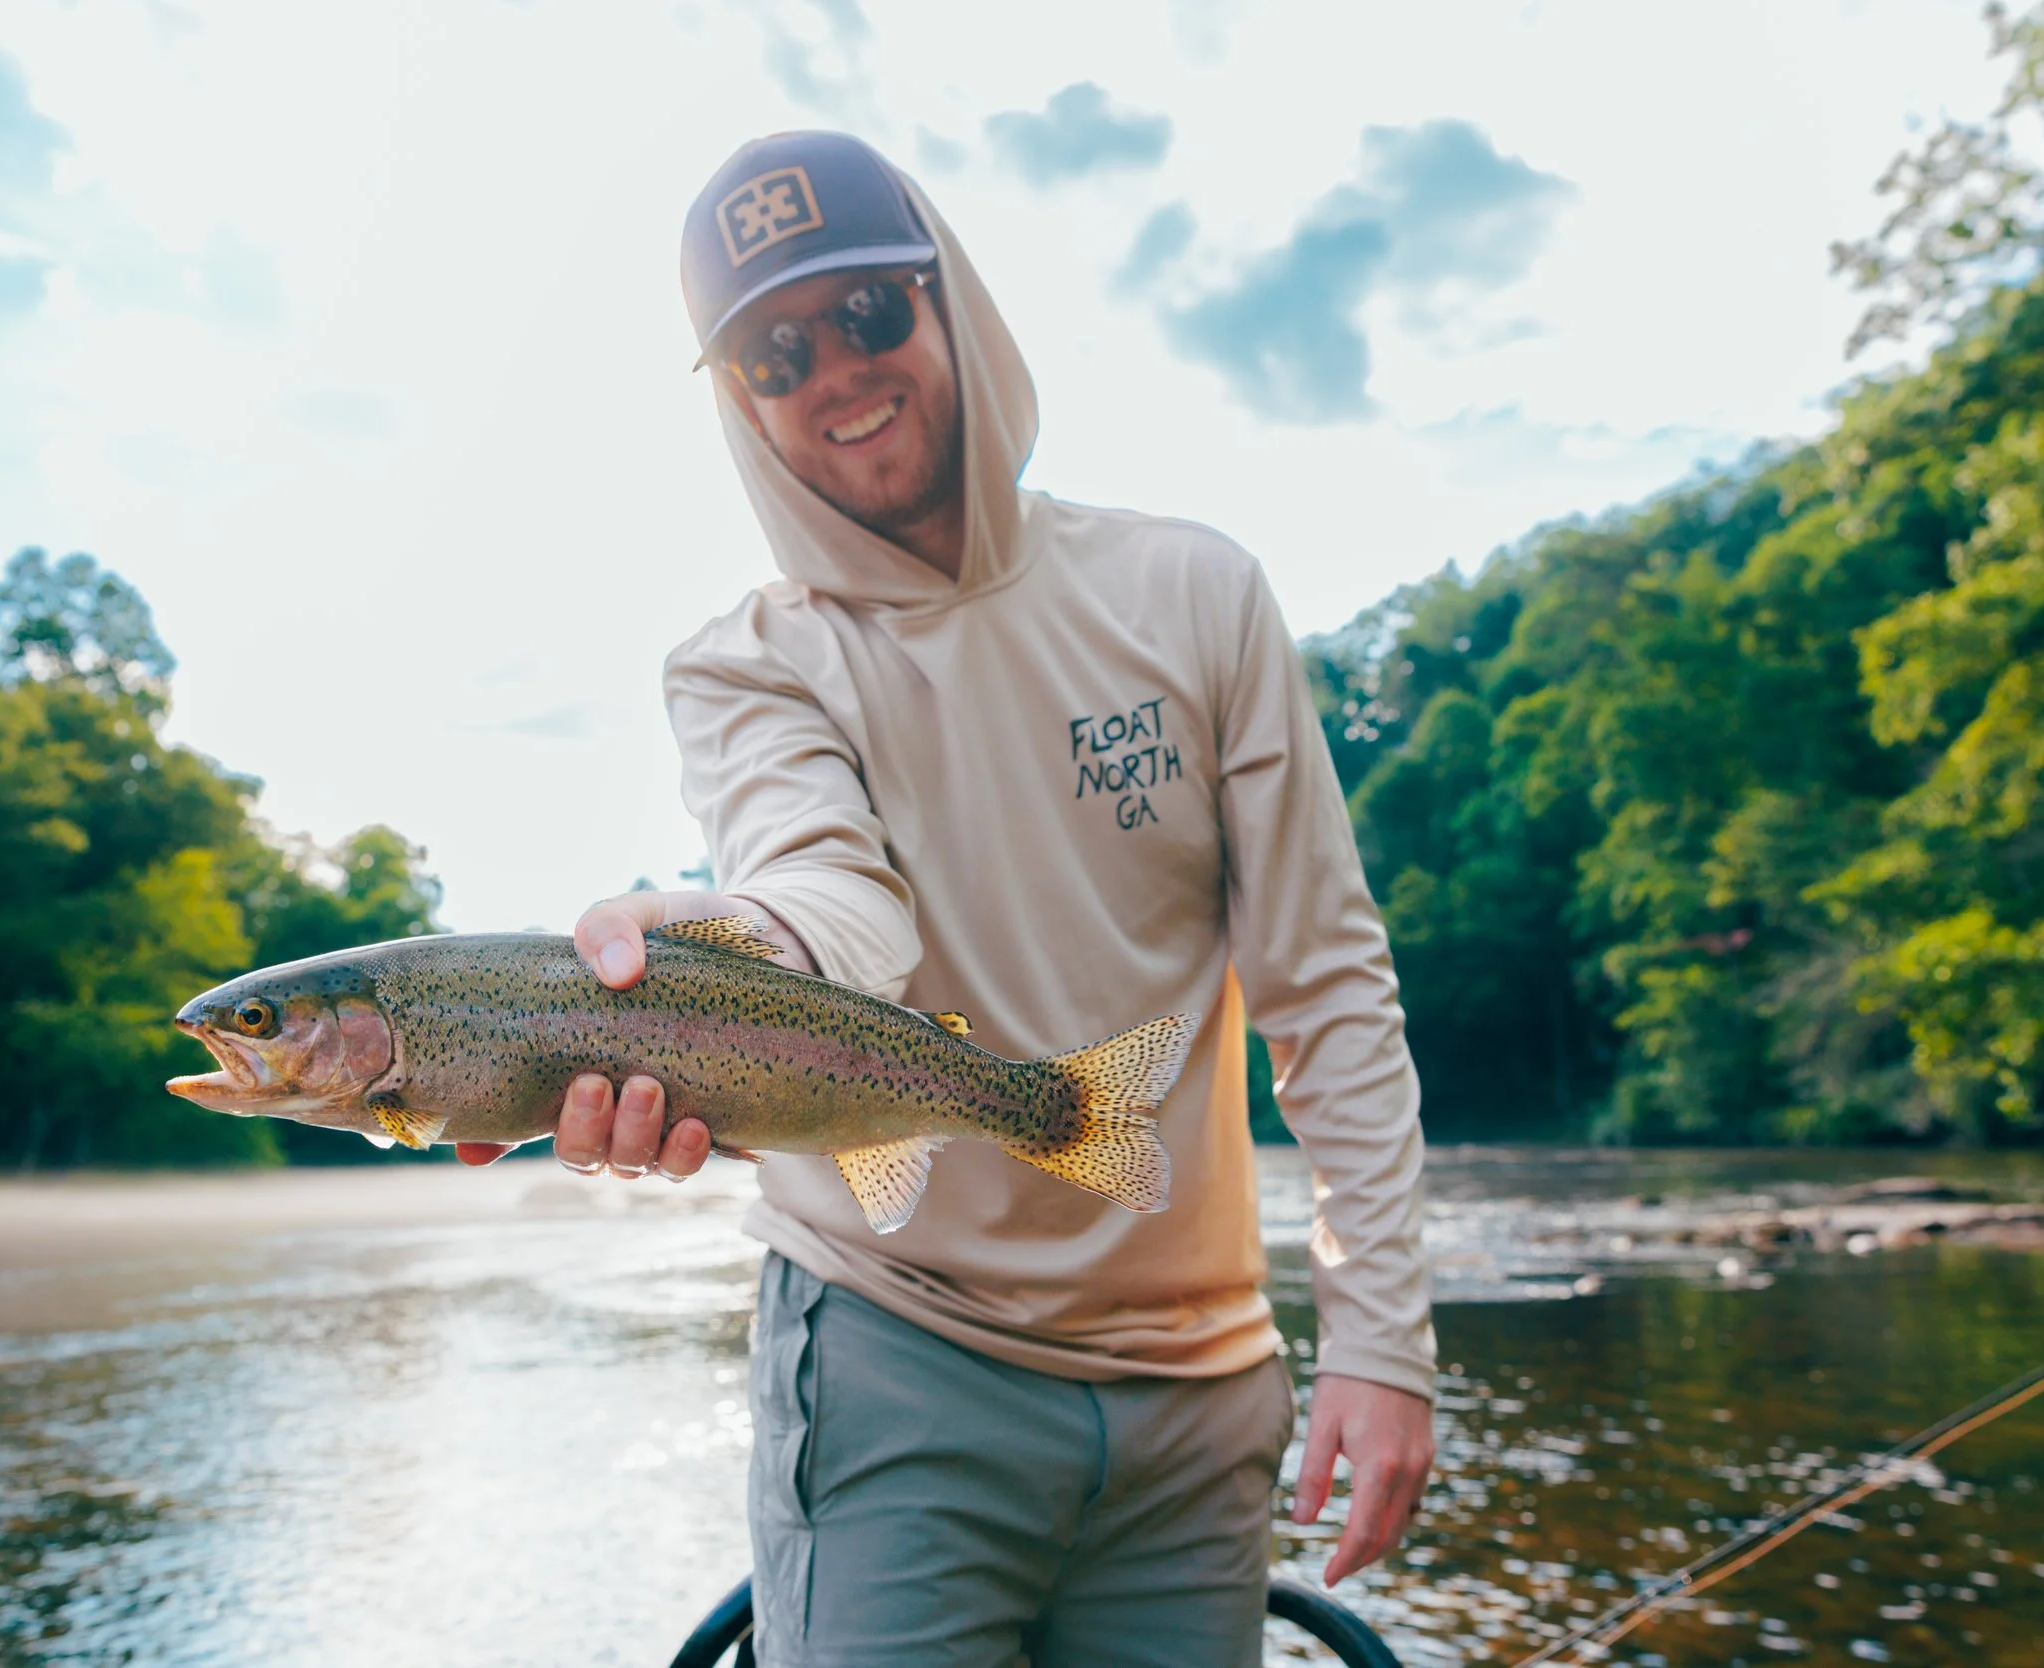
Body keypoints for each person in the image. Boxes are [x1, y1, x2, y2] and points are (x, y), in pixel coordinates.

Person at [459, 131, 1434, 1667]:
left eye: (869, 314)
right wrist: (736, 952)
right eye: (778, 351)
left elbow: (1327, 987)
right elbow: (829, 899)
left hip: (1205, 1387)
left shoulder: (1196, 592)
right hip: (892, 1351)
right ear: (738, 401)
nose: (837, 371)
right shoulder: (746, 664)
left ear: (951, 302)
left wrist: (1382, 1341)